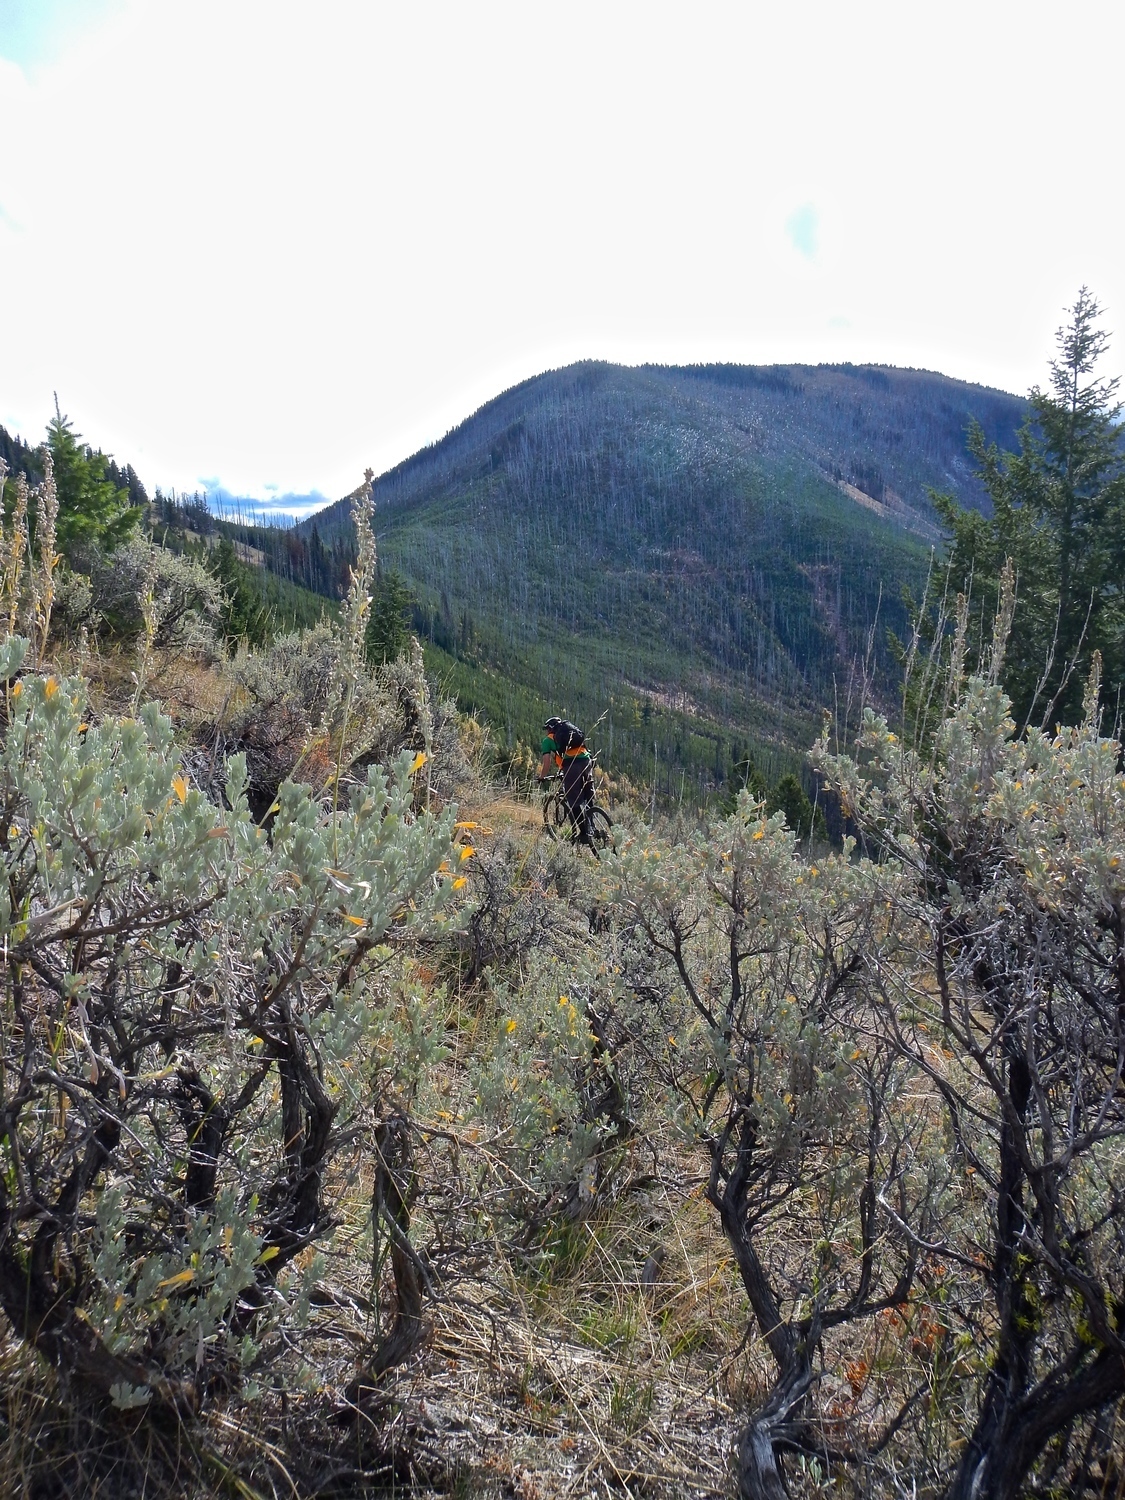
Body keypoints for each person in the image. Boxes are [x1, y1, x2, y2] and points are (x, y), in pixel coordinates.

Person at [538, 716, 595, 840]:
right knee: (587, 796)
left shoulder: (547, 741)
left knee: (573, 800)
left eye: (547, 729)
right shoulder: (571, 732)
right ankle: (594, 828)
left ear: (549, 729)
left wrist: (541, 777)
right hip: (587, 760)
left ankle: (585, 834)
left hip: (572, 764)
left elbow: (546, 764)